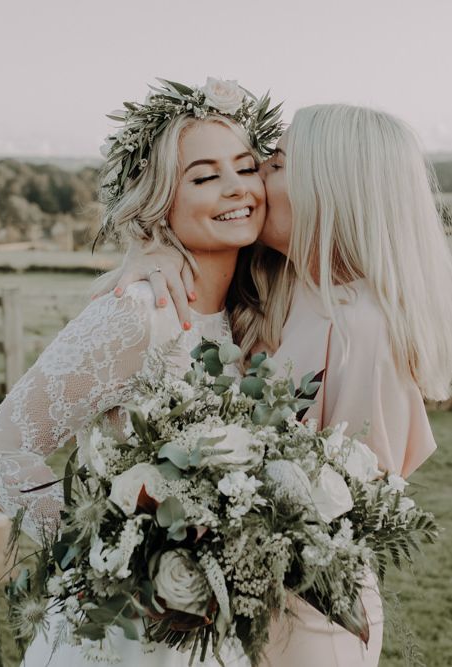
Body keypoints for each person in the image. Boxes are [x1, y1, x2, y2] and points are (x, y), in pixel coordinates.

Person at [96, 103, 452, 666]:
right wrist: (152, 248)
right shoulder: (282, 288)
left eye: (276, 164)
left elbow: (353, 500)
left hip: (312, 617)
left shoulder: (363, 324)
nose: (256, 179)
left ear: (327, 189)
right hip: (242, 608)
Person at [0, 77, 282, 666]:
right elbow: (0, 453)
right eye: (205, 176)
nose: (237, 189)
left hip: (213, 626)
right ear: (158, 200)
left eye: (246, 168)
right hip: (124, 631)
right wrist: (116, 558)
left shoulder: (253, 314)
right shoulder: (136, 314)